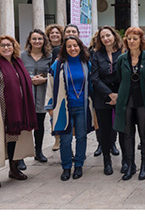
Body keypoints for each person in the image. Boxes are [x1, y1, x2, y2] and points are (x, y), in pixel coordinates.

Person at [0, 35, 38, 189]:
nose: (6, 48)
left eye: (9, 45)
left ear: (13, 47)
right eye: (2, 46)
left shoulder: (18, 63)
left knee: (13, 139)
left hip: (17, 111)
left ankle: (14, 168)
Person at [46, 35, 95, 181]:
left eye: (75, 45)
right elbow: (50, 85)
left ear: (80, 47)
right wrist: (50, 106)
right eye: (69, 46)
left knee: (81, 136)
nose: (73, 49)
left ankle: (79, 165)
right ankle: (66, 167)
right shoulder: (58, 65)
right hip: (63, 107)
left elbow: (92, 84)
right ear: (65, 49)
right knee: (65, 139)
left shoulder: (86, 64)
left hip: (82, 107)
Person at [114, 27, 145, 181]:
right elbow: (119, 79)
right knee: (127, 135)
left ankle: (144, 166)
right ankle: (130, 165)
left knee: (144, 135)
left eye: (135, 38)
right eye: (129, 38)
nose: (132, 41)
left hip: (143, 102)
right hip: (126, 102)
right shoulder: (121, 59)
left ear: (141, 41)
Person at [90, 26, 124, 175]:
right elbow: (95, 78)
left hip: (121, 96)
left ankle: (126, 161)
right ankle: (107, 161)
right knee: (104, 130)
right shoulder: (96, 55)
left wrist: (118, 95)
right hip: (102, 96)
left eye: (108, 35)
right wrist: (110, 94)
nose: (106, 39)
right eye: (102, 37)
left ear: (114, 36)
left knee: (123, 129)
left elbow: (126, 75)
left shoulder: (123, 52)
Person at [21, 29, 53, 164]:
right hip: (25, 96)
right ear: (29, 40)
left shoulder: (49, 57)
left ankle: (38, 151)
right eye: (34, 39)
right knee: (23, 127)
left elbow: (53, 74)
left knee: (39, 125)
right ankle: (20, 156)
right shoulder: (22, 56)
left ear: (44, 41)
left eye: (40, 39)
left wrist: (44, 80)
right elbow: (17, 73)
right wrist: (29, 79)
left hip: (42, 95)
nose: (37, 41)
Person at [46, 23, 64, 152]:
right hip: (48, 83)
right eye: (52, 33)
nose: (54, 35)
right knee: (51, 112)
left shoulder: (64, 48)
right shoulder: (45, 49)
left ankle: (62, 137)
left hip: (61, 84)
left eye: (57, 33)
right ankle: (56, 138)